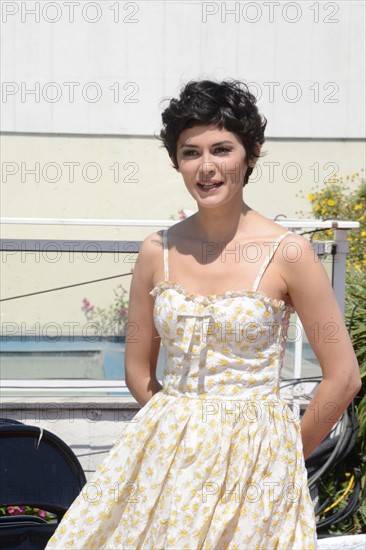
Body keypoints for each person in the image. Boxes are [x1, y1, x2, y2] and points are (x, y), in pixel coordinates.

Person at [46, 79, 361, 549]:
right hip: (168, 455)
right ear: (177, 162)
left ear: (251, 154)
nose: (207, 167)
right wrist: (181, 435)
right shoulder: (158, 250)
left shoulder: (289, 252)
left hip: (259, 464)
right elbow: (137, 371)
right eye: (191, 152)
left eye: (222, 149)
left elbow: (344, 377)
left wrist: (284, 454)